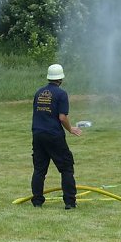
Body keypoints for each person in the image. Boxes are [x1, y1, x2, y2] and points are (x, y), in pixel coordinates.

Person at [31, 63, 82, 209]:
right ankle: (70, 203)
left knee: (39, 169)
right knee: (66, 168)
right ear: (61, 79)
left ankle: (37, 202)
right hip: (53, 135)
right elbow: (62, 117)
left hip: (38, 134)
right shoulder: (61, 94)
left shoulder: (39, 92)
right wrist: (70, 129)